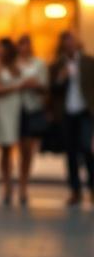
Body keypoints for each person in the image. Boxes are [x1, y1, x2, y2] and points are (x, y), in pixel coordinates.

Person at [50, 30, 94, 205]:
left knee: (86, 148)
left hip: (84, 111)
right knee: (70, 152)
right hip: (67, 113)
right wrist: (61, 79)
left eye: (71, 41)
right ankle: (75, 190)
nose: (69, 45)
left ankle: (92, 187)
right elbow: (52, 90)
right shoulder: (58, 65)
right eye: (66, 42)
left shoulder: (88, 62)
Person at [0, 38, 24, 205]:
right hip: (3, 109)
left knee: (19, 146)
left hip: (17, 107)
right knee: (6, 147)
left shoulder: (15, 65)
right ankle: (7, 183)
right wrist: (17, 88)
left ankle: (18, 183)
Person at [17, 34, 48, 203]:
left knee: (29, 149)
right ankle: (15, 182)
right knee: (18, 148)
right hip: (17, 109)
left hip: (33, 108)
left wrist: (35, 85)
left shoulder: (39, 63)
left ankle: (24, 183)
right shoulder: (13, 64)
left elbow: (45, 86)